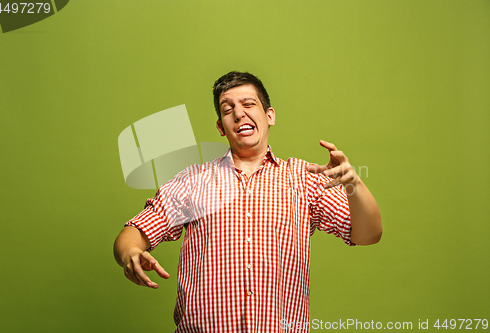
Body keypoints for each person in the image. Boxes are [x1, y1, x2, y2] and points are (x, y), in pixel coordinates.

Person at [113, 71, 382, 332]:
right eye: (227, 109)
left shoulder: (304, 178)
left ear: (269, 115)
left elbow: (368, 234)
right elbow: (134, 233)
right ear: (221, 127)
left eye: (248, 104)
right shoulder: (193, 181)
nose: (239, 113)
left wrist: (353, 184)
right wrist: (131, 254)